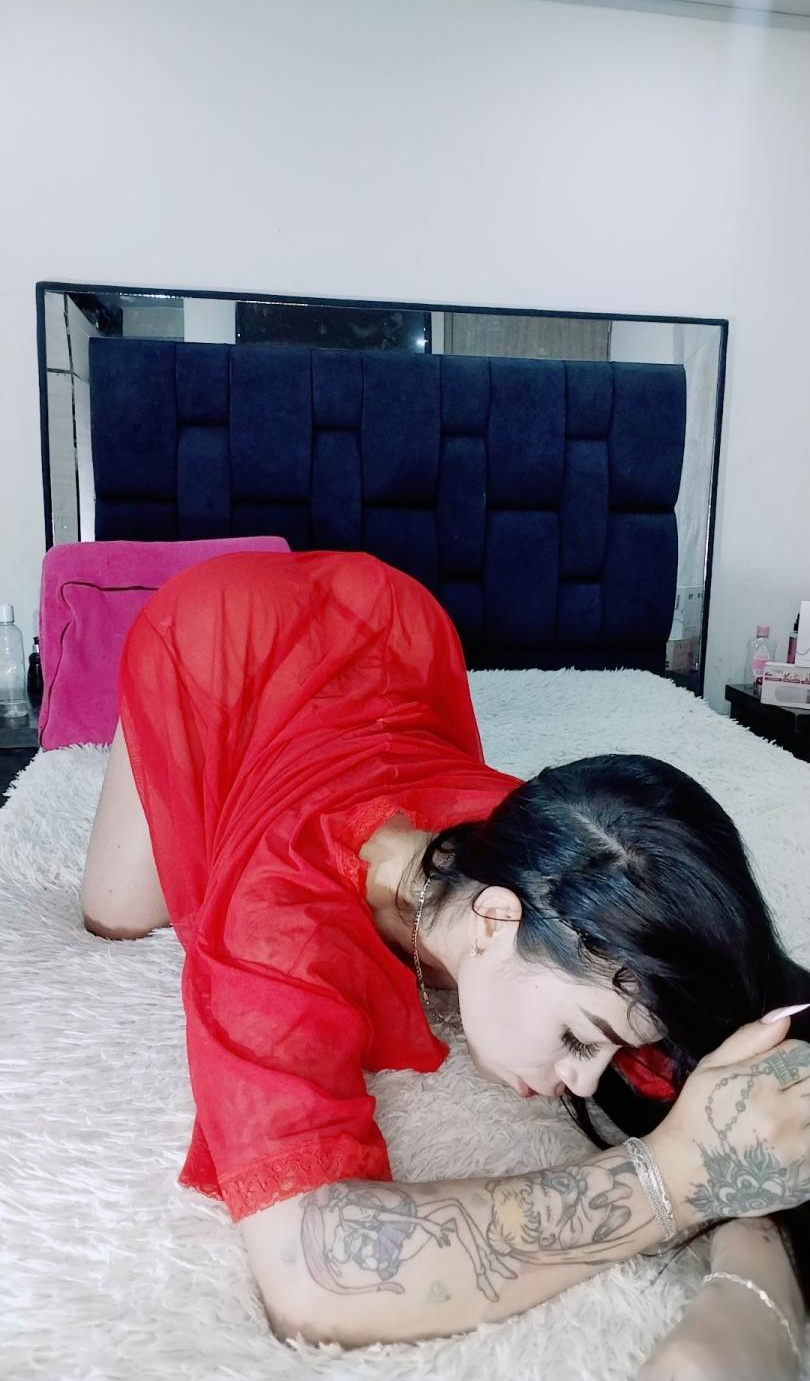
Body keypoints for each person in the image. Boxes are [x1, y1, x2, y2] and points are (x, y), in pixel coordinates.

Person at [81, 549, 810, 1377]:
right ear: (493, 919)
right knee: (117, 915)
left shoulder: (564, 854)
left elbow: (761, 1081)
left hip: (389, 617)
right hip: (212, 632)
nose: (583, 1080)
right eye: (578, 1037)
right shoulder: (278, 929)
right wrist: (670, 1177)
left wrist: (751, 1297)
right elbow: (312, 1275)